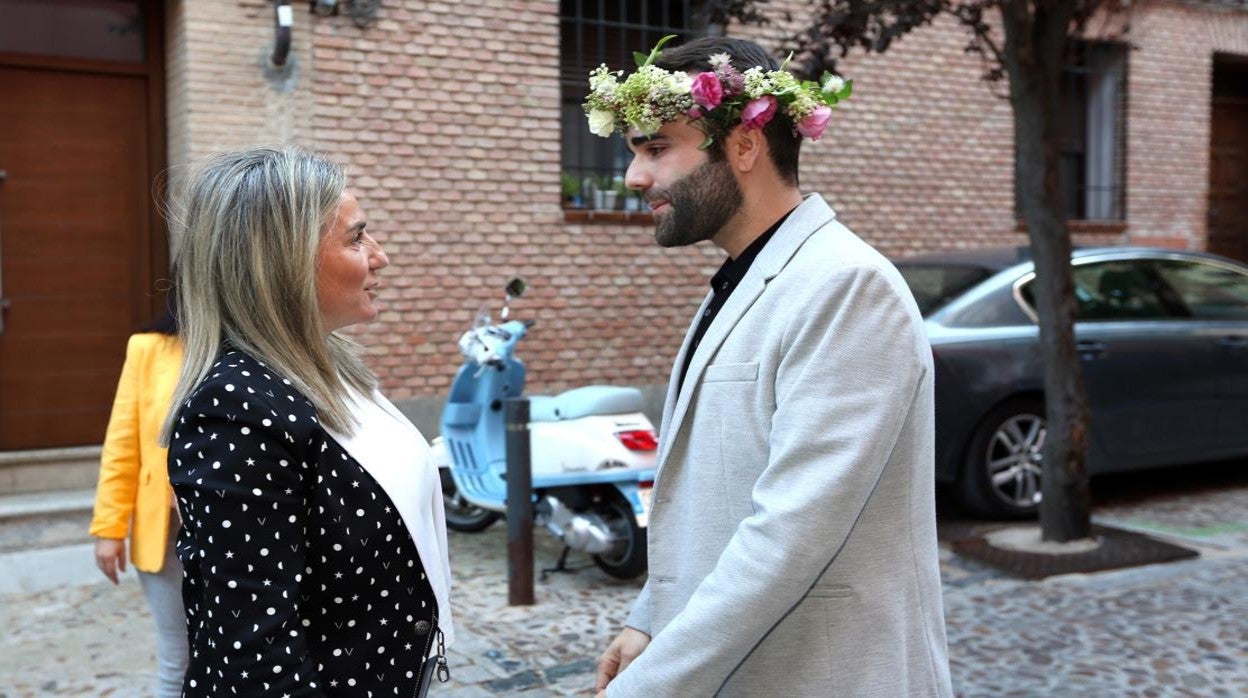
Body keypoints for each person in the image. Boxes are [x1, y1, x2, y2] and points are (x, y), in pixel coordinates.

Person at [586, 37, 953, 696]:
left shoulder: (847, 287)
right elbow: (708, 498)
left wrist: (645, 688)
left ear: (745, 148)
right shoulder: (739, 280)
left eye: (655, 148)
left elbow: (789, 536)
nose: (635, 178)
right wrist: (651, 618)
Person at [159, 145, 453, 696]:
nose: (380, 256)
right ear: (283, 261)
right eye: (356, 237)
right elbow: (255, 653)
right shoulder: (232, 411)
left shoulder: (330, 365)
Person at [89, 300, 189, 698]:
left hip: (229, 530)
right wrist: (110, 529)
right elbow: (122, 444)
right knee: (177, 660)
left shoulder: (244, 345)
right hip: (164, 530)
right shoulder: (148, 348)